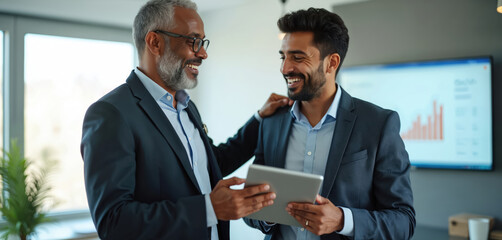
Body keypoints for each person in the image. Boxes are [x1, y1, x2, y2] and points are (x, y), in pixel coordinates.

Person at [80, 0, 291, 239]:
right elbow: (113, 222)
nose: (203, 53)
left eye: (203, 42)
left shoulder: (186, 107)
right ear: (155, 42)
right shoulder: (112, 114)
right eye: (194, 41)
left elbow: (211, 166)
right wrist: (210, 209)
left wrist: (260, 119)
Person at [244, 8, 416, 240]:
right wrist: (266, 213)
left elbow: (403, 221)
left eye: (297, 57)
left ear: (331, 63)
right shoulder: (272, 122)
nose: (285, 68)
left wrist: (342, 221)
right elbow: (251, 205)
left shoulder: (378, 124)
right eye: (283, 57)